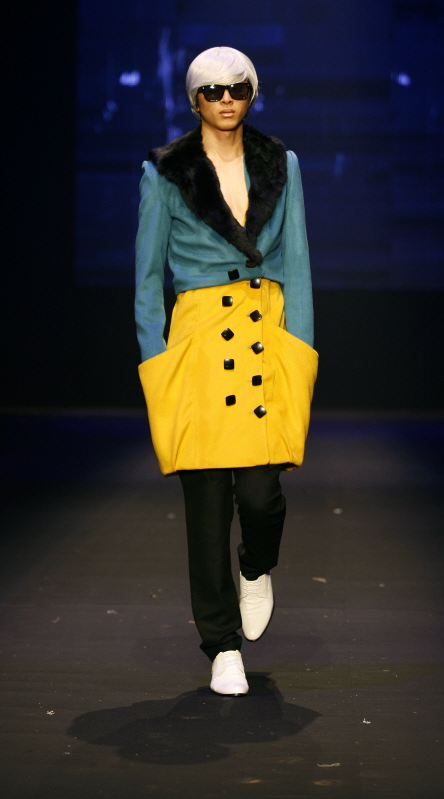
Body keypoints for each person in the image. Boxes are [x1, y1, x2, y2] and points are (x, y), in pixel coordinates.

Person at [135, 46, 318, 695]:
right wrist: (156, 363)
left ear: (252, 92)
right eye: (211, 90)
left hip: (267, 333)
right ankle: (221, 645)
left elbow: (297, 262)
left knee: (263, 496)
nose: (225, 99)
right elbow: (146, 278)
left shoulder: (280, 163)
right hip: (199, 347)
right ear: (194, 100)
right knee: (207, 506)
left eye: (237, 87)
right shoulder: (166, 171)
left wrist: (301, 353)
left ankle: (256, 565)